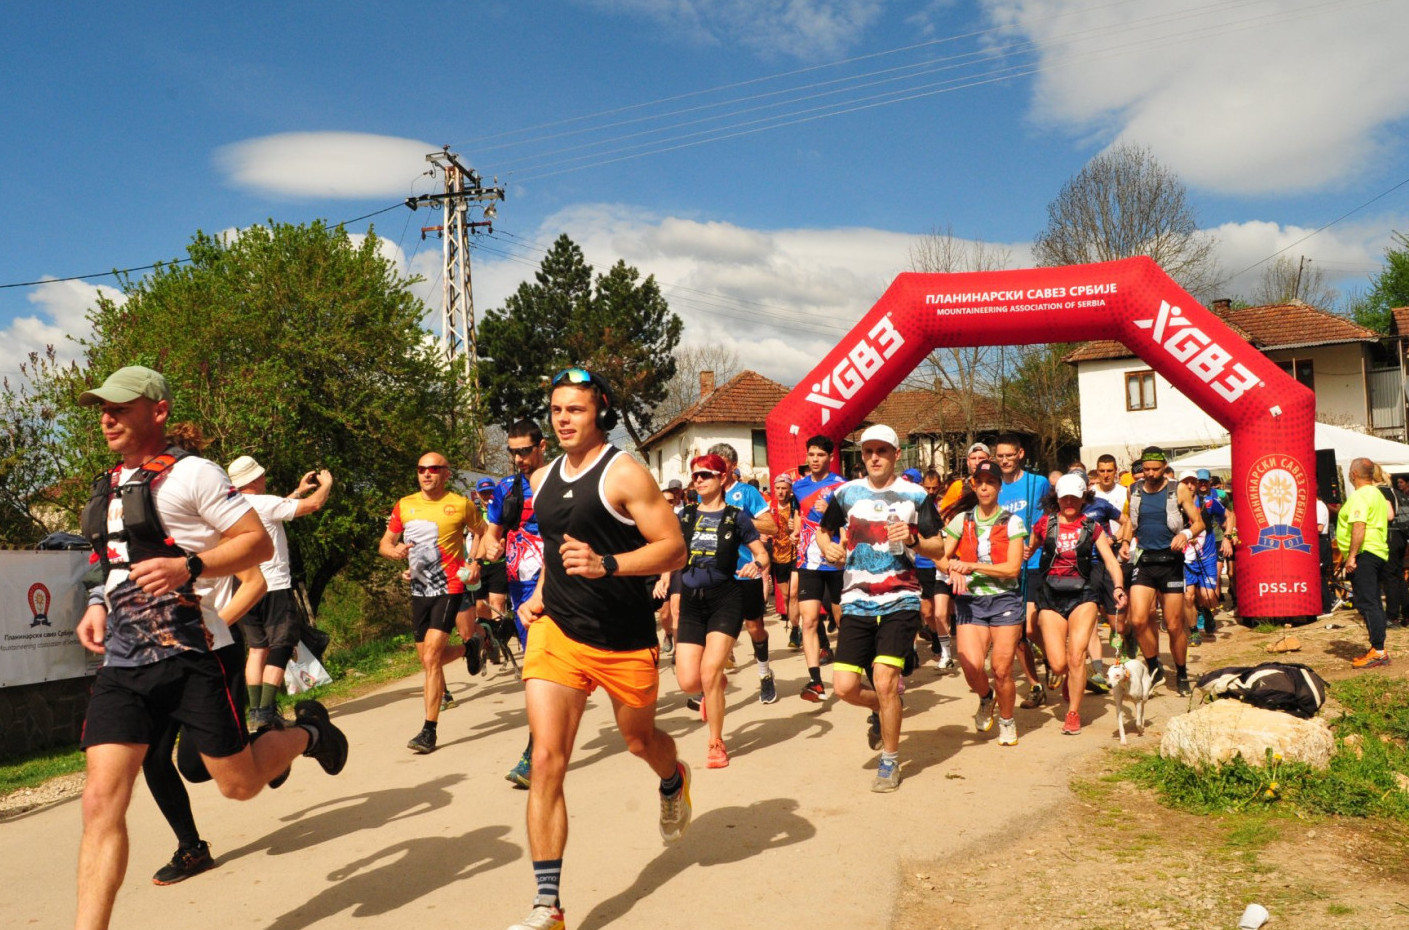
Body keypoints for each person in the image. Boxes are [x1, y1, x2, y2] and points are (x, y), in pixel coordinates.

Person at [73, 367, 347, 930]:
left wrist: (189, 566)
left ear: (159, 410)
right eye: (102, 408)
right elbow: (111, 566)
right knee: (101, 802)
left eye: (120, 407)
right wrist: (98, 603)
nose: (107, 417)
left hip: (194, 654)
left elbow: (256, 539)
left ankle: (310, 733)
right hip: (124, 665)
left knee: (239, 784)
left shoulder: (193, 474)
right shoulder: (105, 486)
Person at [509, 367, 689, 930]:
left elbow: (674, 549)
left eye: (576, 410)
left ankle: (674, 779)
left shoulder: (625, 474)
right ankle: (548, 907)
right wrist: (539, 594)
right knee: (546, 761)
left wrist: (608, 564)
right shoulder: (543, 479)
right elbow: (560, 548)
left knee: (640, 742)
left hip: (622, 640)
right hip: (558, 633)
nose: (563, 419)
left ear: (600, 412)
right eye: (557, 409)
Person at [142, 423, 268, 887]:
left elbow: (255, 581)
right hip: (157, 654)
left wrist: (214, 624)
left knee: (197, 767)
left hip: (211, 652)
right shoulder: (142, 521)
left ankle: (284, 741)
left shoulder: (217, 517)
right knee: (153, 756)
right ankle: (192, 848)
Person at [814, 425, 943, 791]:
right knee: (844, 687)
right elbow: (823, 531)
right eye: (868, 451)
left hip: (900, 597)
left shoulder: (915, 495)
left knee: (885, 680)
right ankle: (882, 708)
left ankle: (889, 760)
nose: (873, 457)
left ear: (896, 455)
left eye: (881, 451)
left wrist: (914, 538)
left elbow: (939, 548)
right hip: (856, 599)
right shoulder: (846, 493)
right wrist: (827, 548)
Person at [658, 453, 769, 768]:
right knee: (689, 682)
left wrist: (756, 565)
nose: (699, 480)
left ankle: (716, 743)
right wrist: (664, 579)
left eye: (706, 474)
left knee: (708, 672)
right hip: (693, 601)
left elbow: (762, 554)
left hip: (726, 598)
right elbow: (673, 552)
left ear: (722, 478)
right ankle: (715, 687)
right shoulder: (686, 516)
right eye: (695, 475)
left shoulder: (737, 517)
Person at [378, 451, 485, 754]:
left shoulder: (461, 505)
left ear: (446, 474)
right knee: (426, 658)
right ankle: (470, 647)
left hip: (450, 587)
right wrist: (394, 552)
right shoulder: (405, 505)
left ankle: (429, 731)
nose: (427, 474)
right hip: (419, 590)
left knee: (432, 657)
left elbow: (482, 532)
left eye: (434, 469)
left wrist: (475, 561)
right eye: (421, 468)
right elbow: (385, 543)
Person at [225, 455, 333, 728]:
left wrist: (297, 491)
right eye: (260, 474)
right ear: (254, 479)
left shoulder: (231, 508)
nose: (264, 478)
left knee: (257, 648)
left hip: (243, 589)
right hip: (273, 585)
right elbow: (315, 504)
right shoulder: (266, 503)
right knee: (281, 646)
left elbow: (272, 510)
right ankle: (266, 710)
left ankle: (256, 711)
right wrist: (326, 484)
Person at [1029, 473, 1127, 734]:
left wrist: (1118, 586)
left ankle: (1073, 713)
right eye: (1065, 497)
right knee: (1059, 663)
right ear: (1057, 498)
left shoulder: (1092, 527)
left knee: (1076, 656)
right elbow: (1031, 549)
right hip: (1051, 594)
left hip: (1083, 594)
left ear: (1084, 498)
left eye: (1075, 497)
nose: (1069, 502)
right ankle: (1069, 678)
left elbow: (1110, 560)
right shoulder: (1045, 523)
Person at [481, 420, 550, 788]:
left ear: (542, 446)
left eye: (525, 450)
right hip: (520, 589)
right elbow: (490, 537)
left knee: (543, 670)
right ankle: (538, 748)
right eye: (513, 452)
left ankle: (536, 750)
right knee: (536, 671)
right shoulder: (506, 488)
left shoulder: (561, 479)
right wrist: (487, 550)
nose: (519, 458)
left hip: (559, 582)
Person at [941, 460, 1028, 747]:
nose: (985, 487)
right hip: (970, 602)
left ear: (999, 487)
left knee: (1001, 669)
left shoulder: (1012, 522)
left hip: (1004, 600)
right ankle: (985, 697)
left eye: (991, 482)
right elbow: (940, 556)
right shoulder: (961, 520)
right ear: (974, 485)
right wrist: (952, 567)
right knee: (971, 666)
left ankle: (1007, 719)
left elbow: (1012, 569)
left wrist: (970, 565)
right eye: (981, 482)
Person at [1118, 446, 1204, 696]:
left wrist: (1185, 534)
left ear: (1164, 467)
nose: (1151, 474)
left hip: (1171, 563)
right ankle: (1155, 667)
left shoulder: (1177, 489)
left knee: (1175, 624)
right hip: (1144, 561)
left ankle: (1182, 672)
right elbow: (1131, 523)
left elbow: (1198, 522)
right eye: (1146, 470)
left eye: (1156, 469)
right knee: (1138, 619)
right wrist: (1125, 543)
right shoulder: (1133, 489)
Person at [707, 442, 780, 704]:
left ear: (732, 467)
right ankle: (708, 687)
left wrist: (738, 520)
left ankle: (765, 673)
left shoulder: (745, 492)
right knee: (715, 630)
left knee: (755, 627)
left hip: (745, 572)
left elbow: (771, 527)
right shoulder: (704, 493)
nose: (713, 469)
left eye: (720, 464)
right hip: (715, 576)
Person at [992, 434, 1051, 708]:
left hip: (1035, 561)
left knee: (1030, 625)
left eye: (1009, 455)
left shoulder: (1037, 483)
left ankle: (1052, 657)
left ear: (1020, 454)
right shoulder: (993, 487)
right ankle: (1035, 684)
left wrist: (1035, 542)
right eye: (1000, 456)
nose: (1004, 460)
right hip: (1005, 566)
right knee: (1015, 631)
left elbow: (1049, 518)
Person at [792, 435, 846, 701]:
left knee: (843, 619)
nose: (814, 459)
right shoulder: (799, 486)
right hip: (809, 561)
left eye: (820, 455)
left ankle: (852, 672)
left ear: (830, 457)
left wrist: (832, 512)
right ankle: (815, 681)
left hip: (836, 560)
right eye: (811, 455)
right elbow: (799, 516)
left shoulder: (842, 485)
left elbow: (853, 521)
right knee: (810, 620)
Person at [1339, 457, 1392, 668]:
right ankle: (1377, 647)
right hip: (1378, 550)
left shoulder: (1360, 496)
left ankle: (1378, 650)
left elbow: (1359, 525)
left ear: (1353, 475)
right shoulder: (1378, 494)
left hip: (1365, 552)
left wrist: (1352, 556)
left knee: (1368, 601)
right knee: (1374, 601)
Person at [1187, 469, 1234, 645]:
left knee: (1208, 595)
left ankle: (1206, 611)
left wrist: (1228, 536)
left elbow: (1229, 515)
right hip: (1186, 554)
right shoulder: (1176, 503)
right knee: (1188, 596)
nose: (1199, 485)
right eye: (1193, 482)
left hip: (1210, 547)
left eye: (1201, 481)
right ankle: (1193, 632)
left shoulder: (1212, 499)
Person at [919, 468, 955, 670]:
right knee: (927, 611)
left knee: (942, 611)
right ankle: (936, 637)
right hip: (923, 563)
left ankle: (944, 648)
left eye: (934, 487)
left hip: (942, 564)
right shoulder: (918, 503)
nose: (931, 491)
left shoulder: (945, 505)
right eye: (927, 487)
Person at [768, 473, 800, 647]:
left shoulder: (796, 506)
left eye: (784, 489)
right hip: (778, 555)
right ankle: (797, 626)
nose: (780, 492)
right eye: (778, 488)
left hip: (796, 553)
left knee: (794, 594)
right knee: (787, 596)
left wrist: (796, 527)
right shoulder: (769, 507)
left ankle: (795, 630)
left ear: (790, 490)